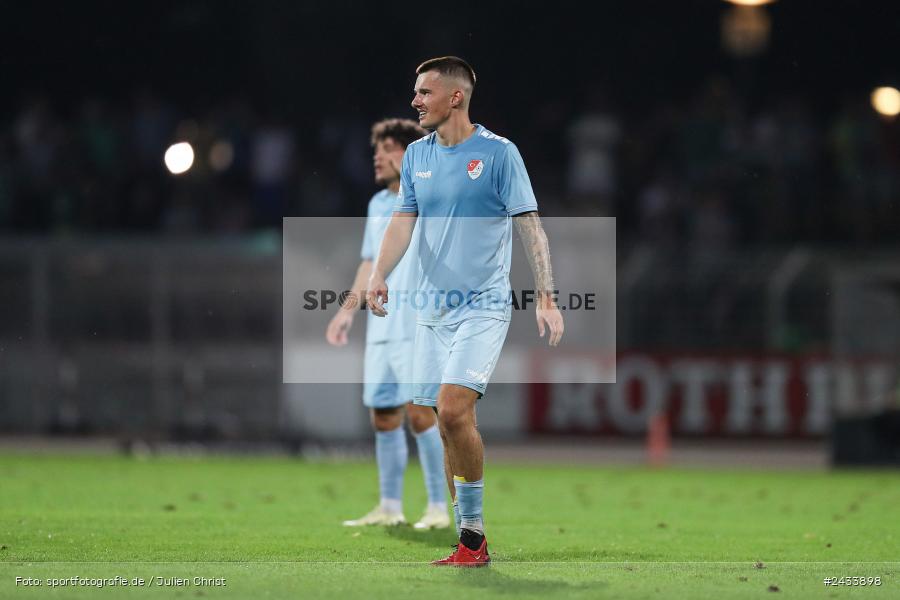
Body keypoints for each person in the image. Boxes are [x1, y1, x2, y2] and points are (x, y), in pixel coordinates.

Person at [366, 57, 564, 566]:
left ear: (455, 97)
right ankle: (468, 538)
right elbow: (402, 223)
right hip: (429, 312)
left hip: (483, 305)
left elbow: (530, 226)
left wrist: (546, 294)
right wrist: (378, 274)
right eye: (415, 92)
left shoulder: (499, 154)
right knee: (444, 420)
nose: (415, 101)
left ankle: (472, 539)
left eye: (424, 92)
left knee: (454, 408)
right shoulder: (416, 156)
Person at [326, 118, 450, 531]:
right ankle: (390, 506)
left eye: (388, 148)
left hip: (418, 324)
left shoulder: (431, 198)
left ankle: (436, 507)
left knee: (420, 415)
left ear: (411, 154)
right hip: (380, 326)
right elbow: (368, 262)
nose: (377, 157)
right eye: (376, 149)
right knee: (383, 416)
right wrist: (347, 310)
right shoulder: (378, 204)